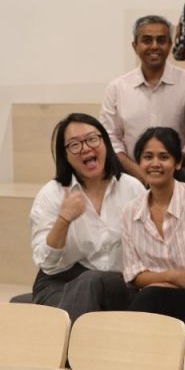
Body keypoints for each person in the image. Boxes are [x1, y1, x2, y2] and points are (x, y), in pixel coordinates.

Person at [29, 114, 145, 322]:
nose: (85, 148)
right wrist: (63, 220)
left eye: (92, 139)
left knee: (92, 281)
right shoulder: (52, 194)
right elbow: (47, 263)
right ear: (65, 155)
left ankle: (65, 351)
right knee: (74, 304)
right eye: (74, 145)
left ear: (105, 143)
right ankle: (75, 346)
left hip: (115, 284)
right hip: (60, 282)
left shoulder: (132, 188)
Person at [121, 128, 185, 324]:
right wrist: (172, 277)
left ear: (178, 163)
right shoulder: (130, 211)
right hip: (150, 295)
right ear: (139, 163)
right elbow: (134, 275)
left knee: (148, 299)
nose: (155, 163)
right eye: (148, 157)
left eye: (163, 157)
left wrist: (164, 281)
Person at [100, 15, 185, 183]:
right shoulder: (117, 88)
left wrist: (168, 167)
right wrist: (138, 172)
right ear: (135, 46)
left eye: (161, 40)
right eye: (147, 40)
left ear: (169, 45)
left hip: (179, 176)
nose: (154, 46)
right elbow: (109, 138)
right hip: (129, 177)